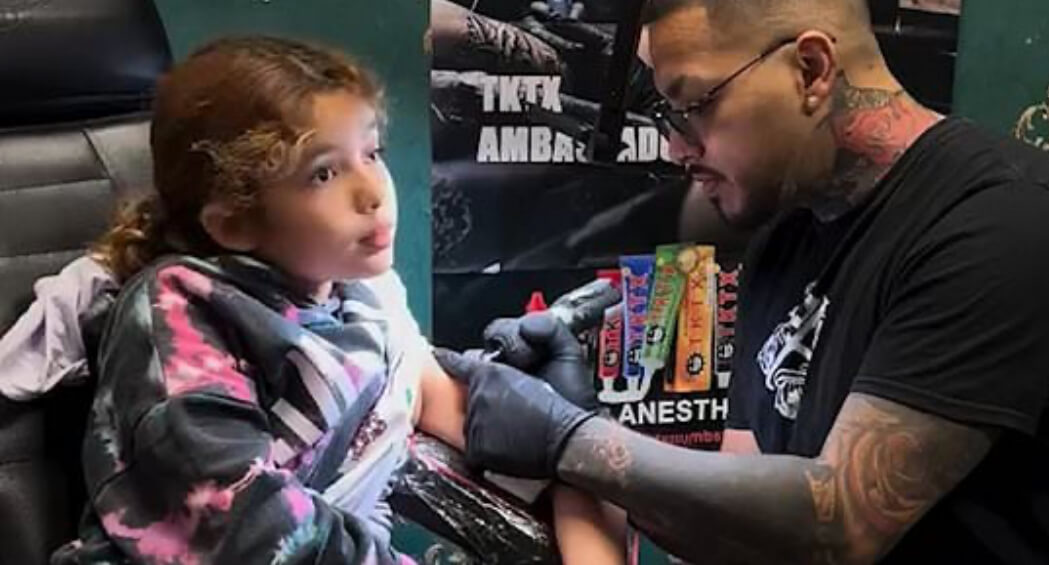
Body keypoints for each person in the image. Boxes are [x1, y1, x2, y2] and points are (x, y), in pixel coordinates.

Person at [434, 0, 1049, 563]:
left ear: (811, 70)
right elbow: (743, 519)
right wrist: (587, 422)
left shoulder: (1001, 228)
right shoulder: (784, 234)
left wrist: (570, 440)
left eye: (693, 107)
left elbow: (841, 526)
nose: (676, 149)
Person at [48, 36, 624, 565]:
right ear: (235, 223)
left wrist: (578, 451)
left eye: (371, 152)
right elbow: (247, 526)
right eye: (324, 174)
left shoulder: (362, 293)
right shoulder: (179, 318)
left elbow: (429, 397)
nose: (373, 192)